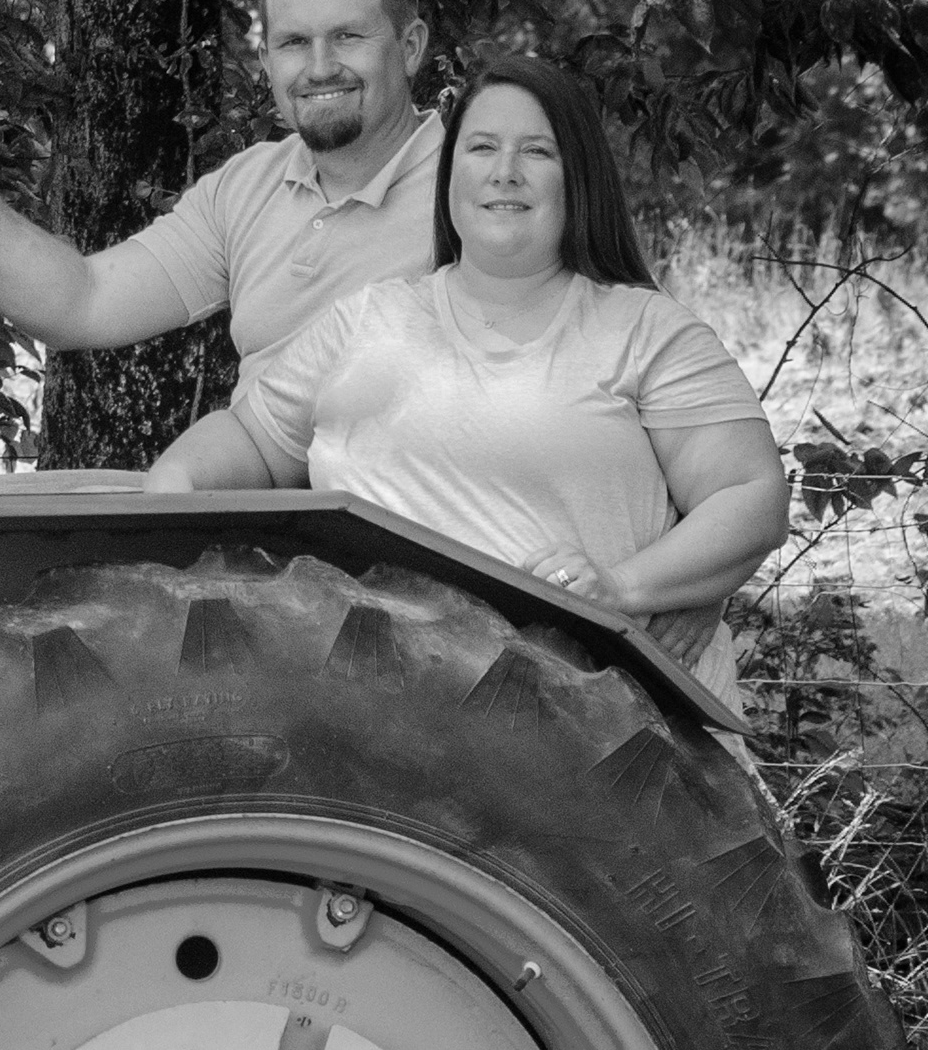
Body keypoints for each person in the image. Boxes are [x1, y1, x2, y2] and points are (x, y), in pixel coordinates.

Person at [145, 54, 789, 702]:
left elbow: (751, 495)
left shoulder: (648, 331)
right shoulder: (362, 320)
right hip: (373, 722)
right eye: (481, 147)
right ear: (450, 174)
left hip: (595, 729)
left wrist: (621, 589)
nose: (504, 171)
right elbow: (252, 443)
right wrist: (173, 488)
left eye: (536, 151)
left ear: (579, 176)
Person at [0, 0, 441, 360]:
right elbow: (82, 303)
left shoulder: (468, 181)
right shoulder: (248, 187)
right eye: (293, 43)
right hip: (258, 489)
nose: (319, 68)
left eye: (347, 37)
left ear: (411, 47)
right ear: (265, 61)